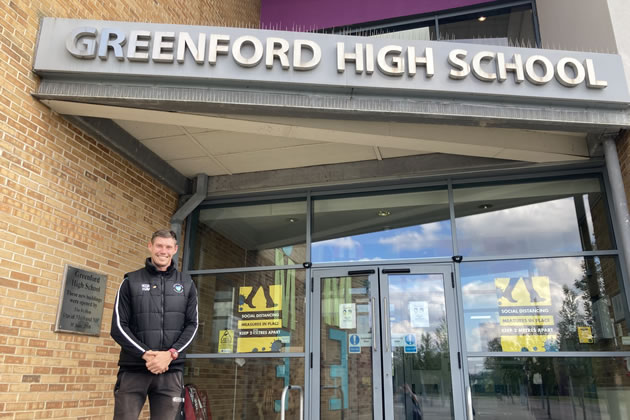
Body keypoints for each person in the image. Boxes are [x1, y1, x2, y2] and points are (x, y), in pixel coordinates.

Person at [111, 229, 199, 420]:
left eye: (168, 247)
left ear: (175, 249)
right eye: (159, 245)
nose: (163, 251)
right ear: (150, 246)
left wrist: (170, 354)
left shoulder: (187, 284)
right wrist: (145, 354)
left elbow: (192, 325)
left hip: (170, 370)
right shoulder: (130, 281)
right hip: (134, 369)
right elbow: (118, 326)